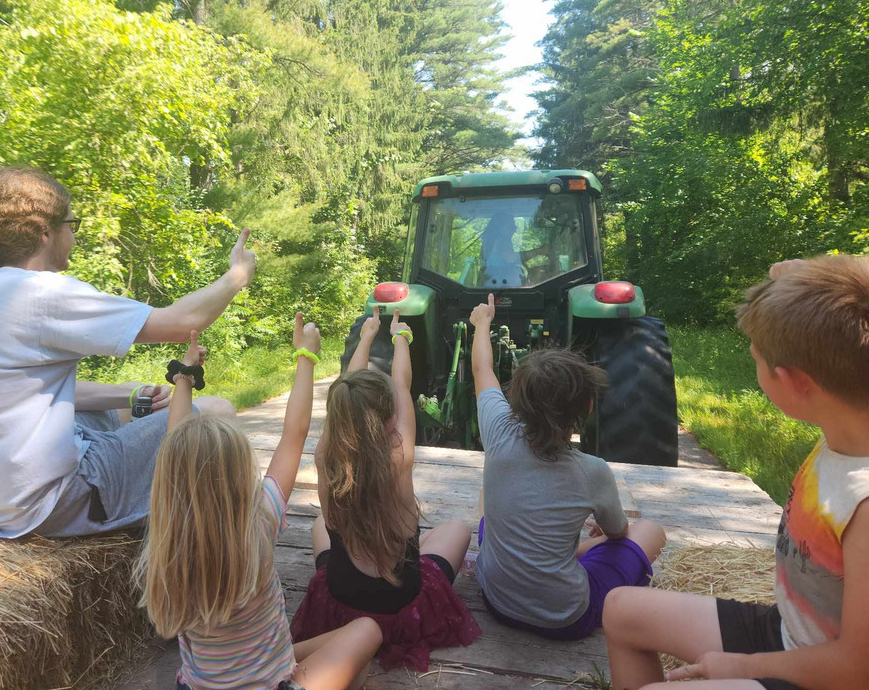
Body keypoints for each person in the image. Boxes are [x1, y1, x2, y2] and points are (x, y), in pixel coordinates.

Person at [0, 165, 250, 539]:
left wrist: (130, 395)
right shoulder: (38, 293)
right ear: (46, 233)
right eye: (71, 225)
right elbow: (181, 321)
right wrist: (237, 276)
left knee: (130, 401)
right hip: (41, 506)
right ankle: (220, 549)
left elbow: (26, 394)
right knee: (217, 413)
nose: (74, 236)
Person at [601, 254, 869, 690]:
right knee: (620, 609)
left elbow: (858, 670)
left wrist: (744, 667)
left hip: (828, 673)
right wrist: (811, 279)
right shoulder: (849, 420)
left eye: (755, 358)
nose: (753, 363)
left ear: (794, 382)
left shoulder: (863, 504)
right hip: (793, 632)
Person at [135, 313, 382, 690]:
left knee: (312, 647)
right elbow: (294, 435)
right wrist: (306, 357)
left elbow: (178, 448)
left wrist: (185, 375)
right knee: (367, 631)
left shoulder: (166, 539)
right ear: (239, 478)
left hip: (197, 686)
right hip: (273, 684)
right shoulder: (259, 522)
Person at [290, 306, 481, 672]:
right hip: (399, 610)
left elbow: (347, 390)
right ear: (391, 419)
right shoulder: (400, 458)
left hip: (341, 605)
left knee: (318, 525)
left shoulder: (326, 457)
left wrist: (365, 336)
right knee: (457, 529)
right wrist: (401, 338)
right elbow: (402, 383)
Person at [469, 293, 666, 640]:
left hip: (497, 601)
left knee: (487, 504)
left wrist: (482, 323)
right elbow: (618, 534)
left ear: (516, 400)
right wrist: (603, 530)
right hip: (565, 617)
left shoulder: (497, 430)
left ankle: (563, 554)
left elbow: (481, 369)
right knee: (650, 531)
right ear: (588, 406)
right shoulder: (593, 471)